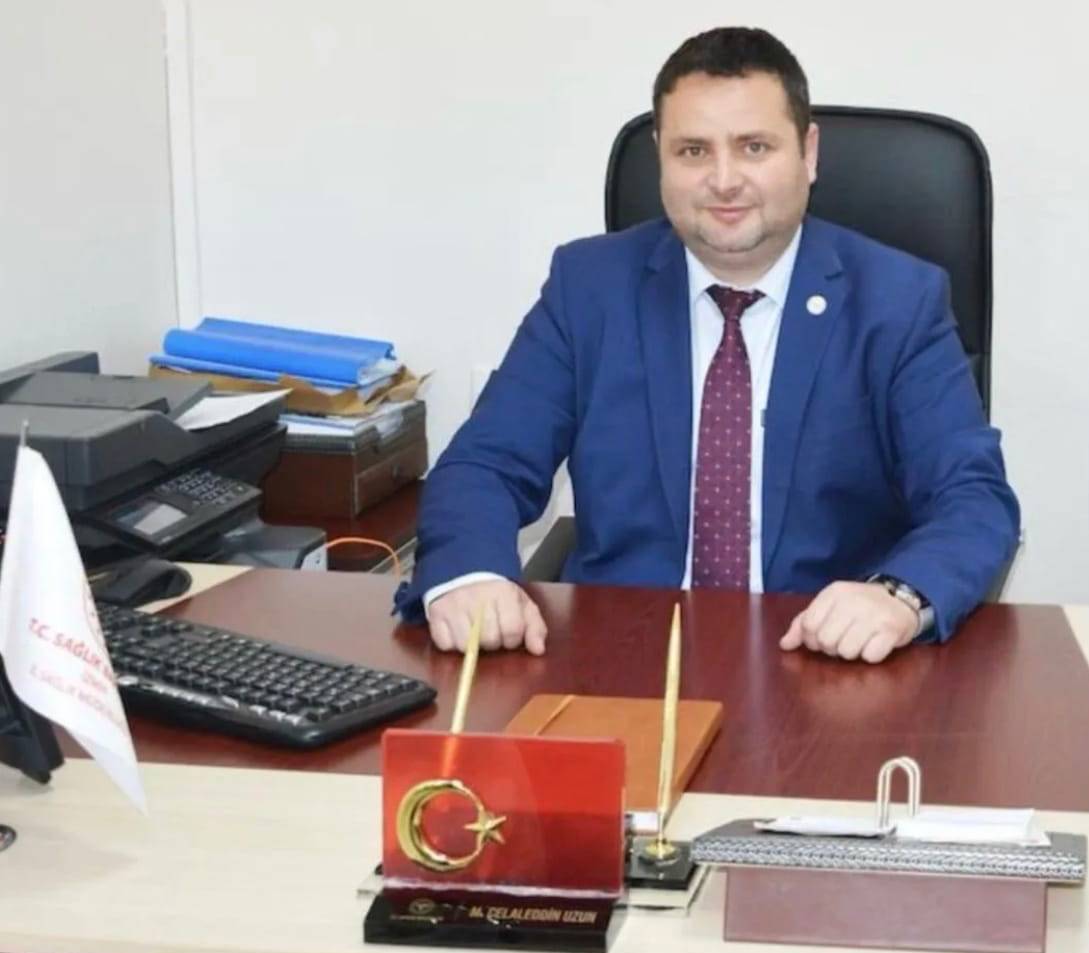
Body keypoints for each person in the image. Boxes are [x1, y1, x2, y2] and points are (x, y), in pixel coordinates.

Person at [395, 26, 1019, 664]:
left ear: (808, 153)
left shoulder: (897, 302)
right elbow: (485, 465)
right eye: (694, 151)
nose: (724, 180)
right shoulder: (589, 289)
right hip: (623, 657)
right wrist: (470, 576)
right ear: (661, 158)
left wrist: (898, 597)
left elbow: (972, 498)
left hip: (825, 661)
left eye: (754, 147)